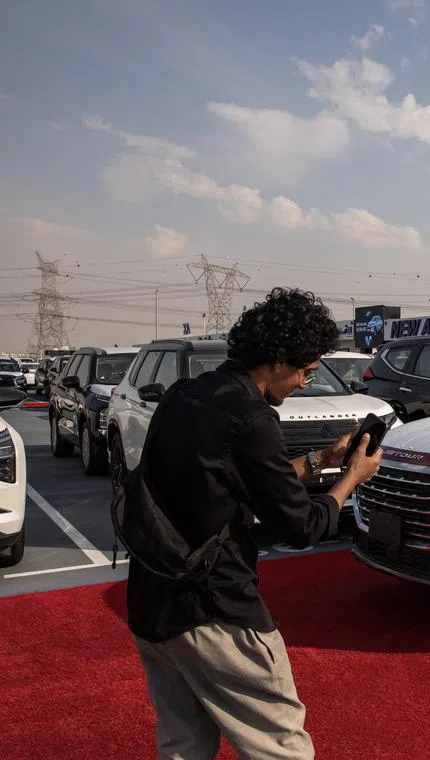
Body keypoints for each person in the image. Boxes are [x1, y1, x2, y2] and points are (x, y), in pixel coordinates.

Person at [126, 287, 383, 759]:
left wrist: (321, 459)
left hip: (152, 595)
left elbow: (225, 478)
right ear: (280, 360)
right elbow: (302, 526)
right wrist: (351, 478)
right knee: (279, 744)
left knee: (183, 744)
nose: (306, 382)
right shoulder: (251, 418)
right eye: (306, 370)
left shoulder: (188, 395)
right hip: (214, 606)